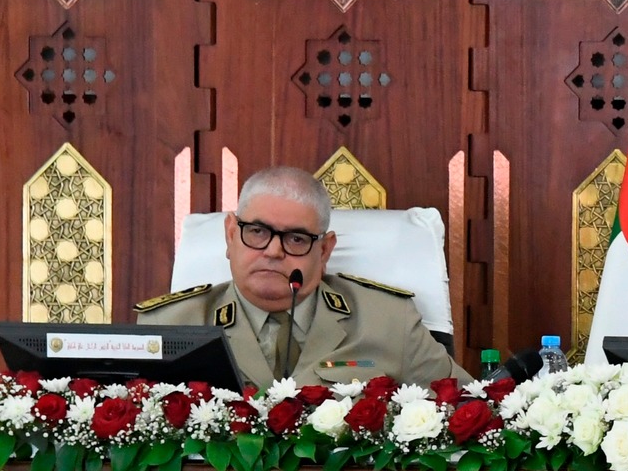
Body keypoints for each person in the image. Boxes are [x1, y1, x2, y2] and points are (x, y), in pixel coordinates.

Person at [134, 166, 467, 389]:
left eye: (296, 239)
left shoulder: (389, 322)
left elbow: (470, 409)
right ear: (231, 235)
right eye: (257, 231)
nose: (273, 251)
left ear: (324, 251)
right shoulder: (168, 325)